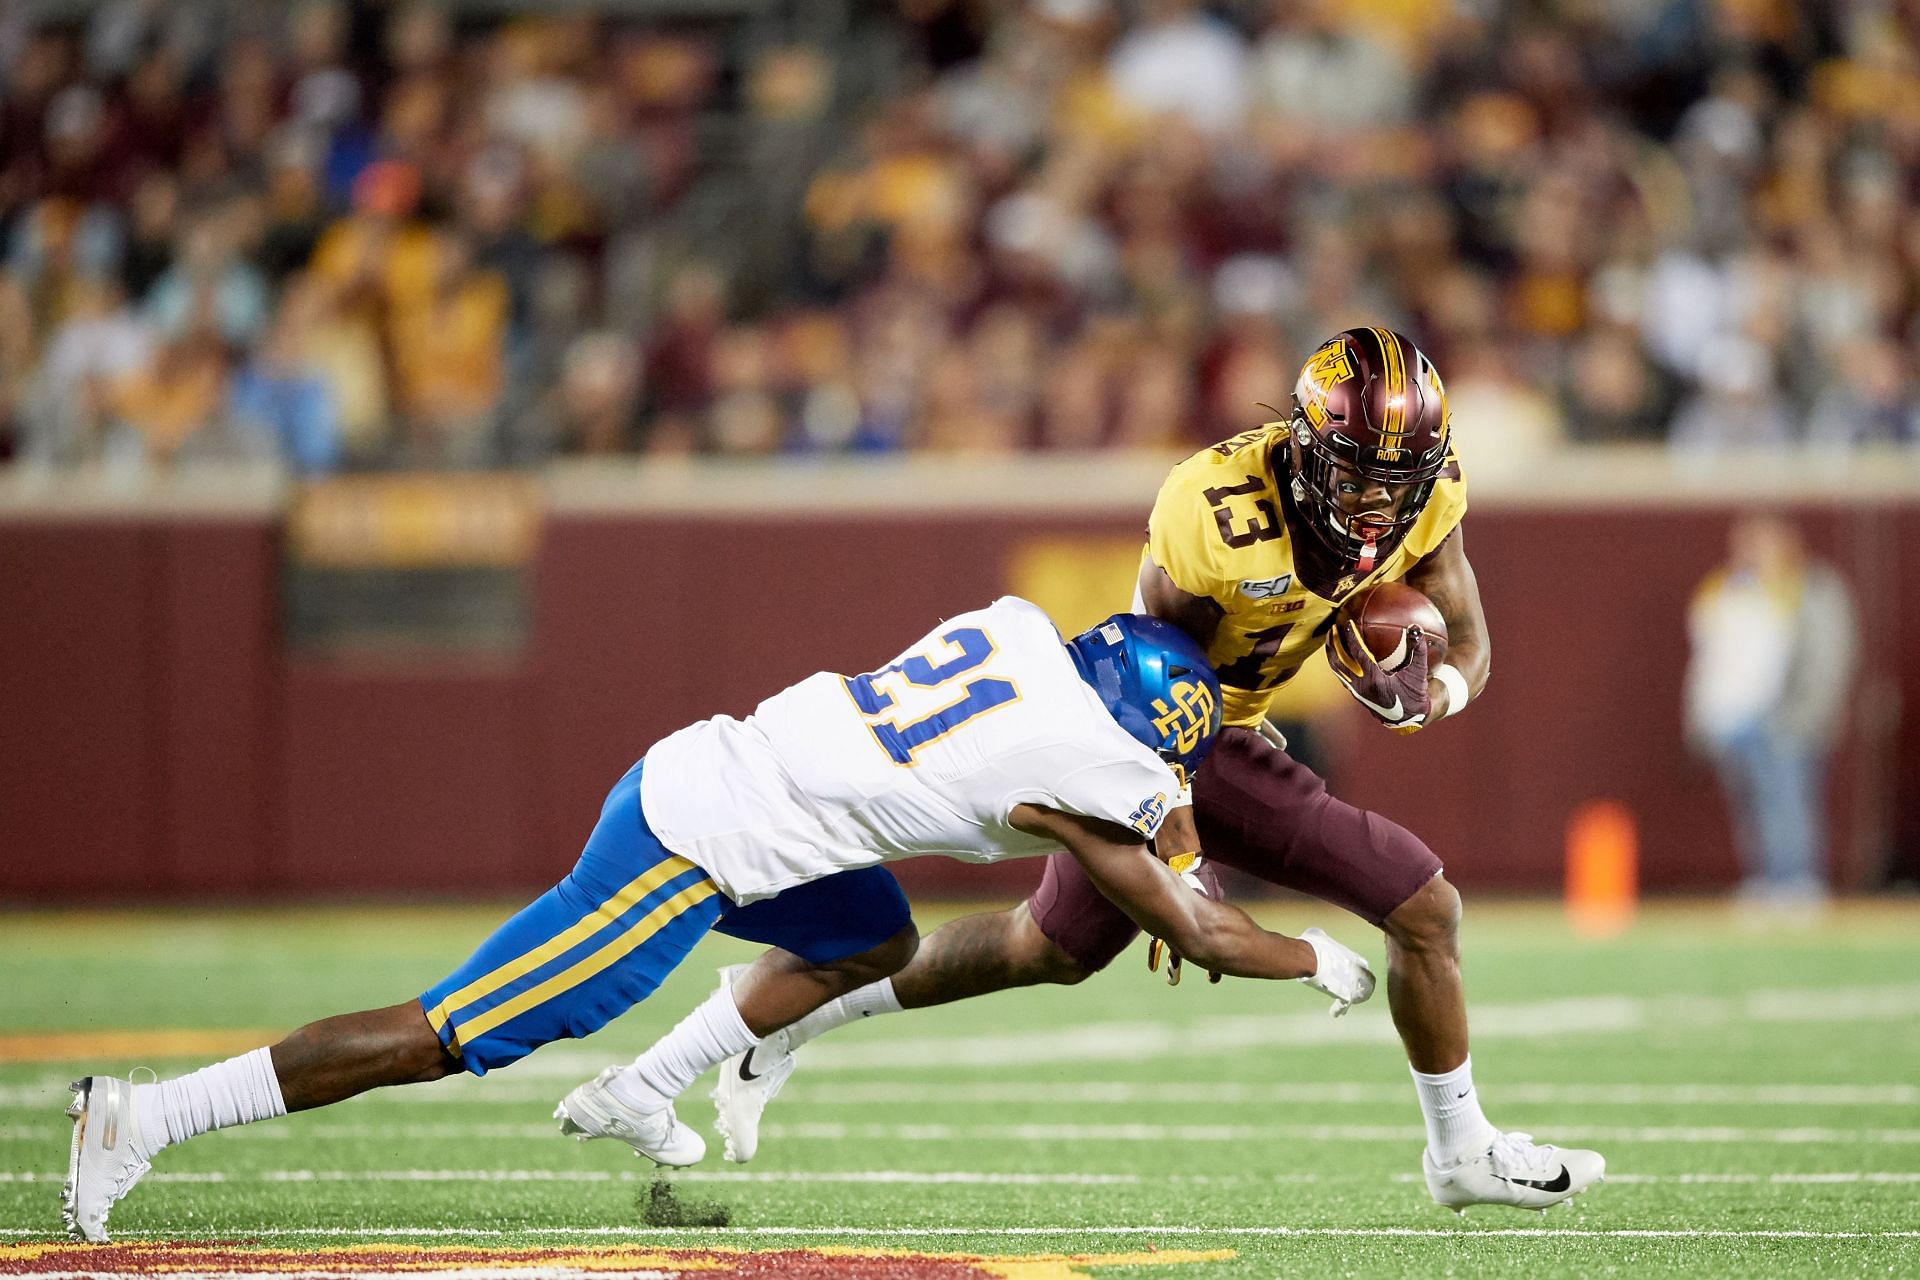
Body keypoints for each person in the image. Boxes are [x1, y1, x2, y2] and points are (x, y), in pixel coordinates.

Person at [62, 598, 1377, 1243]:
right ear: (1144, 742)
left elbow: (1141, 803)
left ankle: (663, 1082)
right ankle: (150, 1116)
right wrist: (1320, 955)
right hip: (694, 843)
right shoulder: (1103, 770)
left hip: (741, 775)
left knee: (875, 939)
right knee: (452, 1034)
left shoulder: (1028, 633)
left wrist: (1173, 838)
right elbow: (1199, 929)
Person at [689, 329, 1606, 1212]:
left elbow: (1472, 640)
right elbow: (1164, 690)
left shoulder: (1430, 495)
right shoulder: (1216, 508)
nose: (1378, 507)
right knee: (1049, 949)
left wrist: (1431, 694)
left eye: (1394, 484)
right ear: (1306, 447)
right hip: (1146, 734)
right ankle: (789, 1008)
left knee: (1068, 945)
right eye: (1360, 479)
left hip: (1235, 734)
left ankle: (1462, 1151)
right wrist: (1178, 859)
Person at [1684, 516, 1856, 909]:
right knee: (1751, 807)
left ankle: (1798, 881)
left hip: (1788, 719)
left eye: (1758, 544)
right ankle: (1766, 878)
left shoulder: (1810, 587)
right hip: (1735, 721)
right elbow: (1714, 658)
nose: (1748, 554)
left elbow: (1829, 656)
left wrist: (1807, 714)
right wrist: (1702, 717)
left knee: (1789, 803)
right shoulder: (1730, 590)